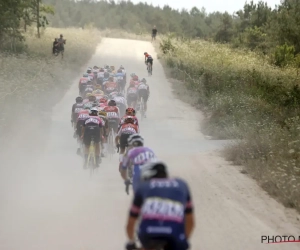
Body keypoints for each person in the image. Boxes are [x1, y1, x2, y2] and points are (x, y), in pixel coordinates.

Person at [125, 160, 195, 250]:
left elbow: (130, 224)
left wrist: (132, 243)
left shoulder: (143, 187)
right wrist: (184, 240)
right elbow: (191, 222)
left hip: (148, 235)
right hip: (175, 236)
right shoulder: (182, 185)